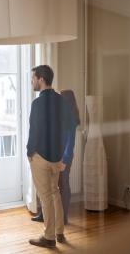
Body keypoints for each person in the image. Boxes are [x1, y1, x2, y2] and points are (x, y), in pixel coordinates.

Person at [27, 65, 76, 248]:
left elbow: (34, 132)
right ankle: (59, 232)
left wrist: (29, 152)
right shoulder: (62, 101)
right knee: (55, 193)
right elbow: (72, 128)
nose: (32, 81)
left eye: (33, 78)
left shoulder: (37, 103)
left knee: (46, 195)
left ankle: (49, 237)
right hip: (57, 157)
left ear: (41, 79)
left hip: (40, 156)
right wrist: (66, 156)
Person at [31, 89, 81, 225]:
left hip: (64, 157)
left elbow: (70, 143)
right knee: (47, 185)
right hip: (53, 155)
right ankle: (44, 214)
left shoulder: (71, 117)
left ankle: (63, 217)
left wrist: (64, 160)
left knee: (63, 184)